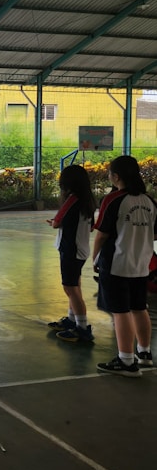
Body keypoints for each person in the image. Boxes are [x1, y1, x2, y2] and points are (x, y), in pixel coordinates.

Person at [93, 155, 157, 377]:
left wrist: (95, 258)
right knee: (139, 308)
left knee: (120, 312)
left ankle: (126, 361)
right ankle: (145, 353)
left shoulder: (113, 200)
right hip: (141, 263)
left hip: (117, 263)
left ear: (116, 176)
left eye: (110, 173)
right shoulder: (149, 201)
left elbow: (101, 234)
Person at [46, 165, 97, 342]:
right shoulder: (88, 201)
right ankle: (72, 319)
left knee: (70, 288)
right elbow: (91, 227)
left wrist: (54, 222)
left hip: (70, 250)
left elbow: (57, 222)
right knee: (75, 286)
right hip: (81, 250)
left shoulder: (72, 200)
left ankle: (81, 328)